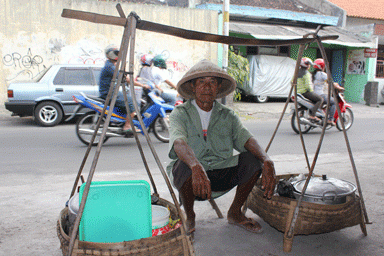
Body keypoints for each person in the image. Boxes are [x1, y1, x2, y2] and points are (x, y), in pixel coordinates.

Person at [166, 59, 276, 236]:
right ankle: (191, 215)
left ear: (218, 88)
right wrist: (195, 166)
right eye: (201, 81)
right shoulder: (180, 113)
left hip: (221, 171)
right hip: (192, 177)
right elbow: (179, 142)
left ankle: (234, 212)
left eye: (212, 82)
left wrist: (267, 159)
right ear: (193, 87)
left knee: (253, 161)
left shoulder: (228, 115)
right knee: (182, 165)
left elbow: (246, 138)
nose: (207, 87)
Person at [99, 45, 150, 134]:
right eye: (117, 53)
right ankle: (127, 126)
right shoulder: (110, 67)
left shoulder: (111, 65)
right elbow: (126, 79)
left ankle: (124, 121)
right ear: (111, 55)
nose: (119, 55)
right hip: (109, 93)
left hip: (111, 92)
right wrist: (142, 85)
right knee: (131, 102)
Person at [312, 58, 344, 126]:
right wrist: (339, 88)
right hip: (320, 94)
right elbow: (331, 83)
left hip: (313, 94)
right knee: (334, 102)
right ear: (322, 66)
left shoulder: (313, 74)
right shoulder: (322, 74)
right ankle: (330, 119)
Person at [296, 57, 324, 121]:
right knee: (320, 99)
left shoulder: (297, 72)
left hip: (297, 92)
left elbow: (292, 82)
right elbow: (308, 86)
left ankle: (302, 113)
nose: (309, 66)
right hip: (305, 92)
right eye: (309, 65)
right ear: (307, 65)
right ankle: (313, 115)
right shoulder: (307, 73)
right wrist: (312, 91)